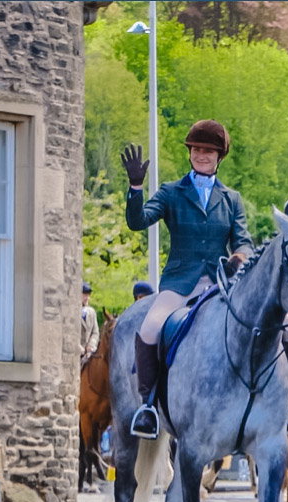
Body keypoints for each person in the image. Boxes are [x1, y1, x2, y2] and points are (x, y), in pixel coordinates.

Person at [121, 119, 254, 439]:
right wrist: (136, 188)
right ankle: (148, 406)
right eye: (196, 150)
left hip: (220, 283)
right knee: (151, 327)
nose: (201, 155)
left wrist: (240, 258)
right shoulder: (171, 192)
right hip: (181, 282)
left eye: (208, 151)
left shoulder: (231, 198)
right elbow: (138, 222)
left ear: (219, 156)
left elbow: (244, 240)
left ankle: (257, 399)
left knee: (256, 326)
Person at [80, 281, 99, 367]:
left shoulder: (92, 312)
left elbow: (95, 332)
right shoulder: (70, 311)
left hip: (88, 354)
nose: (87, 298)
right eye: (84, 295)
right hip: (75, 353)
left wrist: (91, 346)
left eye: (88, 295)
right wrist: (78, 347)